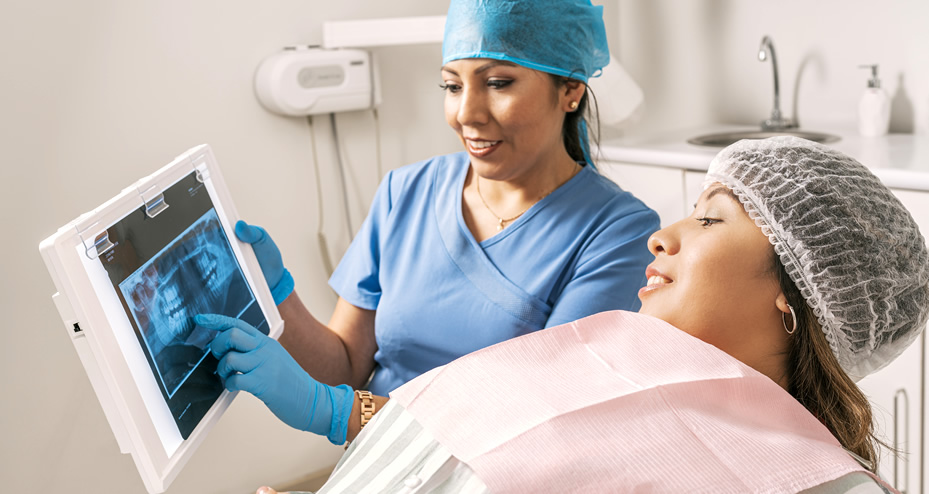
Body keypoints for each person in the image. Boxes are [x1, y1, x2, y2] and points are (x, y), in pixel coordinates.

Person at [225, 137, 929, 493]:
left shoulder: (817, 480)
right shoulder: (606, 353)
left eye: (710, 220)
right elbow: (458, 427)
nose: (662, 235)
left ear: (795, 286)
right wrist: (332, 410)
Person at [196, 0, 660, 447]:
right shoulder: (407, 192)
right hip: (376, 472)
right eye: (452, 86)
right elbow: (344, 368)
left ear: (571, 90)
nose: (466, 114)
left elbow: (526, 429)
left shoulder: (618, 235)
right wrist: (277, 294)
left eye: (498, 82)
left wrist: (334, 412)